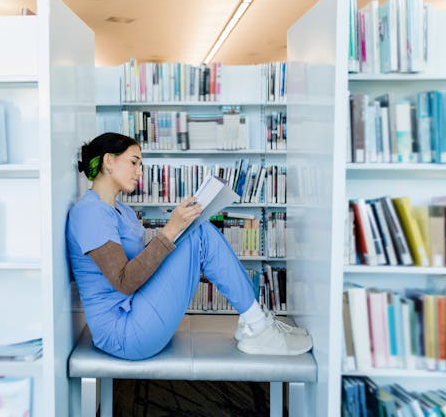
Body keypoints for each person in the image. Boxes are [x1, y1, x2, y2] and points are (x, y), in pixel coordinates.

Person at [66, 132, 312, 361]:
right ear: (109, 161)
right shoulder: (90, 213)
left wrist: (179, 228)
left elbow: (142, 264)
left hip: (136, 310)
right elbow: (125, 281)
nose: (140, 172)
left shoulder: (122, 211)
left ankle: (255, 322)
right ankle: (258, 325)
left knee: (197, 230)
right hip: (122, 331)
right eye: (134, 162)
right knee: (201, 234)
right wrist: (171, 229)